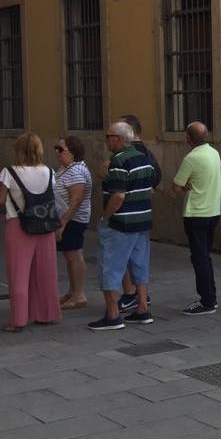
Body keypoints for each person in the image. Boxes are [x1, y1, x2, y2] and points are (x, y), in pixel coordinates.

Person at [89, 122, 154, 330]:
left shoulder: (118, 160)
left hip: (121, 223)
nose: (106, 140)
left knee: (110, 267)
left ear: (117, 138)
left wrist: (105, 216)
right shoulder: (144, 158)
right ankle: (142, 308)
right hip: (142, 220)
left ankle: (113, 314)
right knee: (139, 265)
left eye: (108, 136)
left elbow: (118, 195)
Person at [1, 134, 60, 332]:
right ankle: (47, 314)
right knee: (45, 272)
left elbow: (1, 201)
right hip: (45, 225)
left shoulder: (9, 172)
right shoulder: (49, 172)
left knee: (19, 274)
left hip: (18, 225)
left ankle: (18, 320)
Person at [172, 122, 221, 316]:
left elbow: (176, 187)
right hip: (213, 211)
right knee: (205, 256)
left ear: (188, 138)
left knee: (199, 258)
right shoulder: (214, 153)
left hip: (196, 213)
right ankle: (211, 296)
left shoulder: (191, 158)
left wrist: (184, 187)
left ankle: (207, 301)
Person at [114, 114, 162, 312]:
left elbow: (117, 188)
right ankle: (140, 299)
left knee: (124, 257)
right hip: (142, 212)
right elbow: (156, 177)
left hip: (127, 214)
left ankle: (130, 294)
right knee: (139, 257)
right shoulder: (148, 154)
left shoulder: (128, 155)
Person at [52, 136, 91, 310]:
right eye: (56, 149)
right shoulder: (67, 168)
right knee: (70, 255)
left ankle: (79, 295)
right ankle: (72, 291)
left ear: (73, 152)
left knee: (73, 254)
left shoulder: (75, 171)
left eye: (61, 149)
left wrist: (63, 222)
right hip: (68, 218)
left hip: (73, 219)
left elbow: (76, 199)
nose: (57, 153)